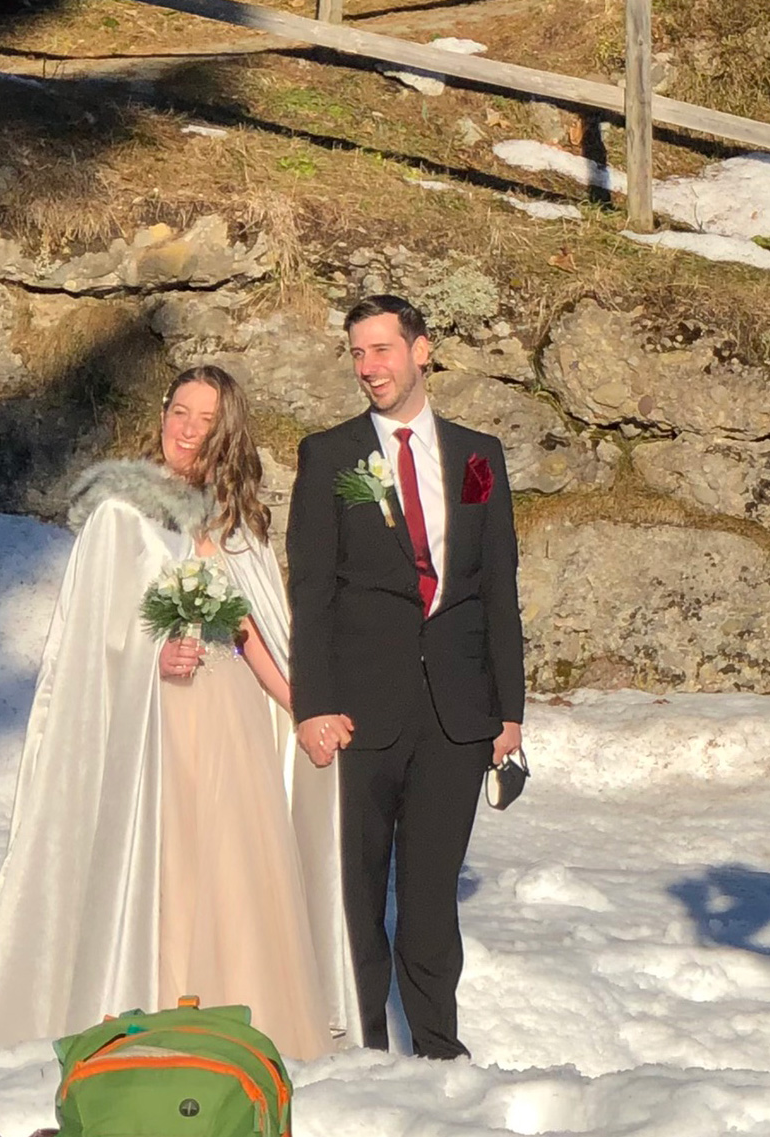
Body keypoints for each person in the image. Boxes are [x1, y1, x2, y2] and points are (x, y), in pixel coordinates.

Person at [0, 365, 347, 1061]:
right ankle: (151, 1009)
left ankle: (234, 1015)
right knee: (164, 860)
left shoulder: (235, 519)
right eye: (178, 412)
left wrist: (302, 708)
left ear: (226, 432)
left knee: (232, 863)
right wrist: (154, 655)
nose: (185, 430)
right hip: (154, 721)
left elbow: (251, 629)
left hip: (228, 716)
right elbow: (91, 635)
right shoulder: (121, 512)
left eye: (204, 419)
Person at [286, 295, 525, 1061]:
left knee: (429, 897)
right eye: (357, 353)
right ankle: (364, 1049)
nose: (368, 367)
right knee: (357, 892)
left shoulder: (478, 457)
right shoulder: (330, 455)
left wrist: (508, 710)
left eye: (381, 349)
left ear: (421, 350)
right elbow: (311, 590)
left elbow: (495, 586)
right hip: (362, 709)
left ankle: (438, 1051)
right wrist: (313, 703)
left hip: (457, 712)